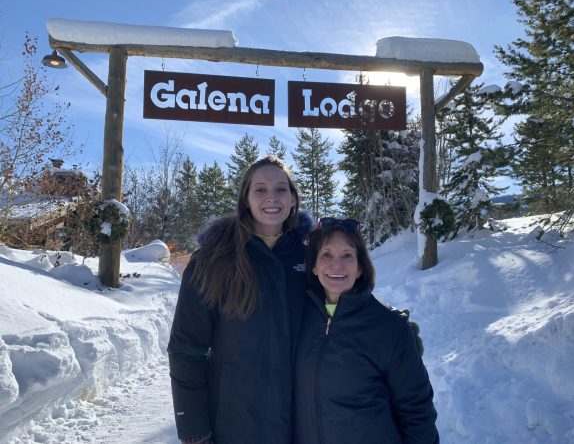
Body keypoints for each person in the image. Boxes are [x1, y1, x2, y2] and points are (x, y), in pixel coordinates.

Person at [168, 156, 312, 444]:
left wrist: (390, 326)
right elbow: (187, 349)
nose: (271, 198)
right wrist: (194, 429)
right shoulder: (213, 259)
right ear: (245, 199)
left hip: (303, 422)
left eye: (281, 189)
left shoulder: (311, 257)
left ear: (293, 199)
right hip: (235, 423)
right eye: (260, 189)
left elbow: (340, 312)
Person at [294, 217, 439, 444]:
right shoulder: (299, 319)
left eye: (347, 256)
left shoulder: (390, 327)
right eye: (326, 255)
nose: (337, 265)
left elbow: (416, 409)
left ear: (360, 267)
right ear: (313, 266)